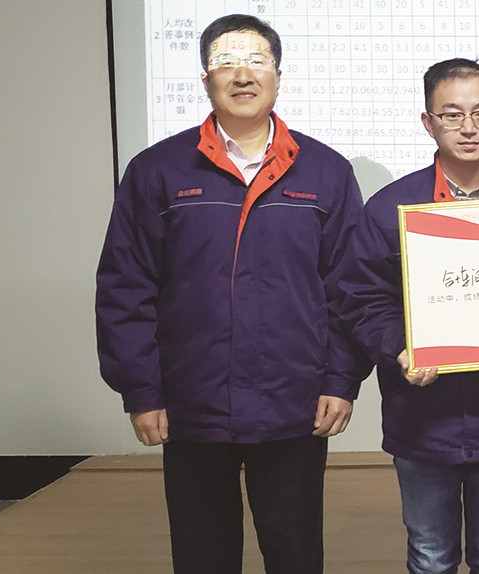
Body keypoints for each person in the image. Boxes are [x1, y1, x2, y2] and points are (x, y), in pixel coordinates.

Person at [95, 14, 370, 574]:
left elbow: (349, 288)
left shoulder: (326, 171)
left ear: (278, 76)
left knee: (294, 552)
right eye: (226, 62)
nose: (242, 75)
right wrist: (141, 390)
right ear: (205, 78)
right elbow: (126, 285)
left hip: (293, 402)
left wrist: (340, 380)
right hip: (191, 402)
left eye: (257, 61)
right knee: (202, 554)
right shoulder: (158, 170)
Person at [338, 58, 479, 574]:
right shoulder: (391, 208)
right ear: (428, 122)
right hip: (422, 417)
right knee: (430, 557)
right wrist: (399, 349)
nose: (468, 127)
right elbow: (362, 298)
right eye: (452, 115)